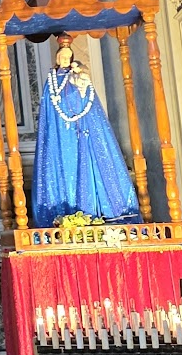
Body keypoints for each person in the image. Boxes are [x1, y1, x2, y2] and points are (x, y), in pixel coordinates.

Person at [30, 37, 141, 227]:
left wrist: (80, 83)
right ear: (57, 58)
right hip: (60, 137)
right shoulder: (52, 82)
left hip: (81, 132)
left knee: (88, 166)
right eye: (62, 57)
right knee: (63, 171)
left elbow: (85, 100)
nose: (65, 60)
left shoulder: (78, 77)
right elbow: (50, 112)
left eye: (68, 56)